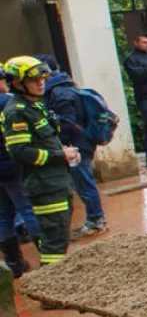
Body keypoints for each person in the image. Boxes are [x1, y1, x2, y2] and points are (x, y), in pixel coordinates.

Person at [1, 57, 79, 267]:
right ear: (17, 83)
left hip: (56, 181)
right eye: (33, 79)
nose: (40, 83)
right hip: (44, 185)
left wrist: (60, 151)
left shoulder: (34, 105)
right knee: (53, 243)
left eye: (43, 78)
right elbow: (20, 151)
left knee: (59, 236)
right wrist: (59, 156)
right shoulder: (17, 111)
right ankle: (49, 294)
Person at [44, 61, 107, 239]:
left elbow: (66, 124)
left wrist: (62, 145)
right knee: (82, 182)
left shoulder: (59, 93)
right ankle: (94, 219)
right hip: (80, 143)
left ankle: (96, 221)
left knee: (84, 183)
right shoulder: (63, 87)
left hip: (76, 145)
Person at [0, 73, 38, 276]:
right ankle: (49, 256)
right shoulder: (8, 103)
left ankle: (14, 263)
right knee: (27, 209)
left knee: (3, 215)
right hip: (10, 165)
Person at [123, 32, 147, 170]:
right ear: (136, 43)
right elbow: (139, 76)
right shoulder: (131, 59)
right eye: (144, 42)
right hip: (146, 97)